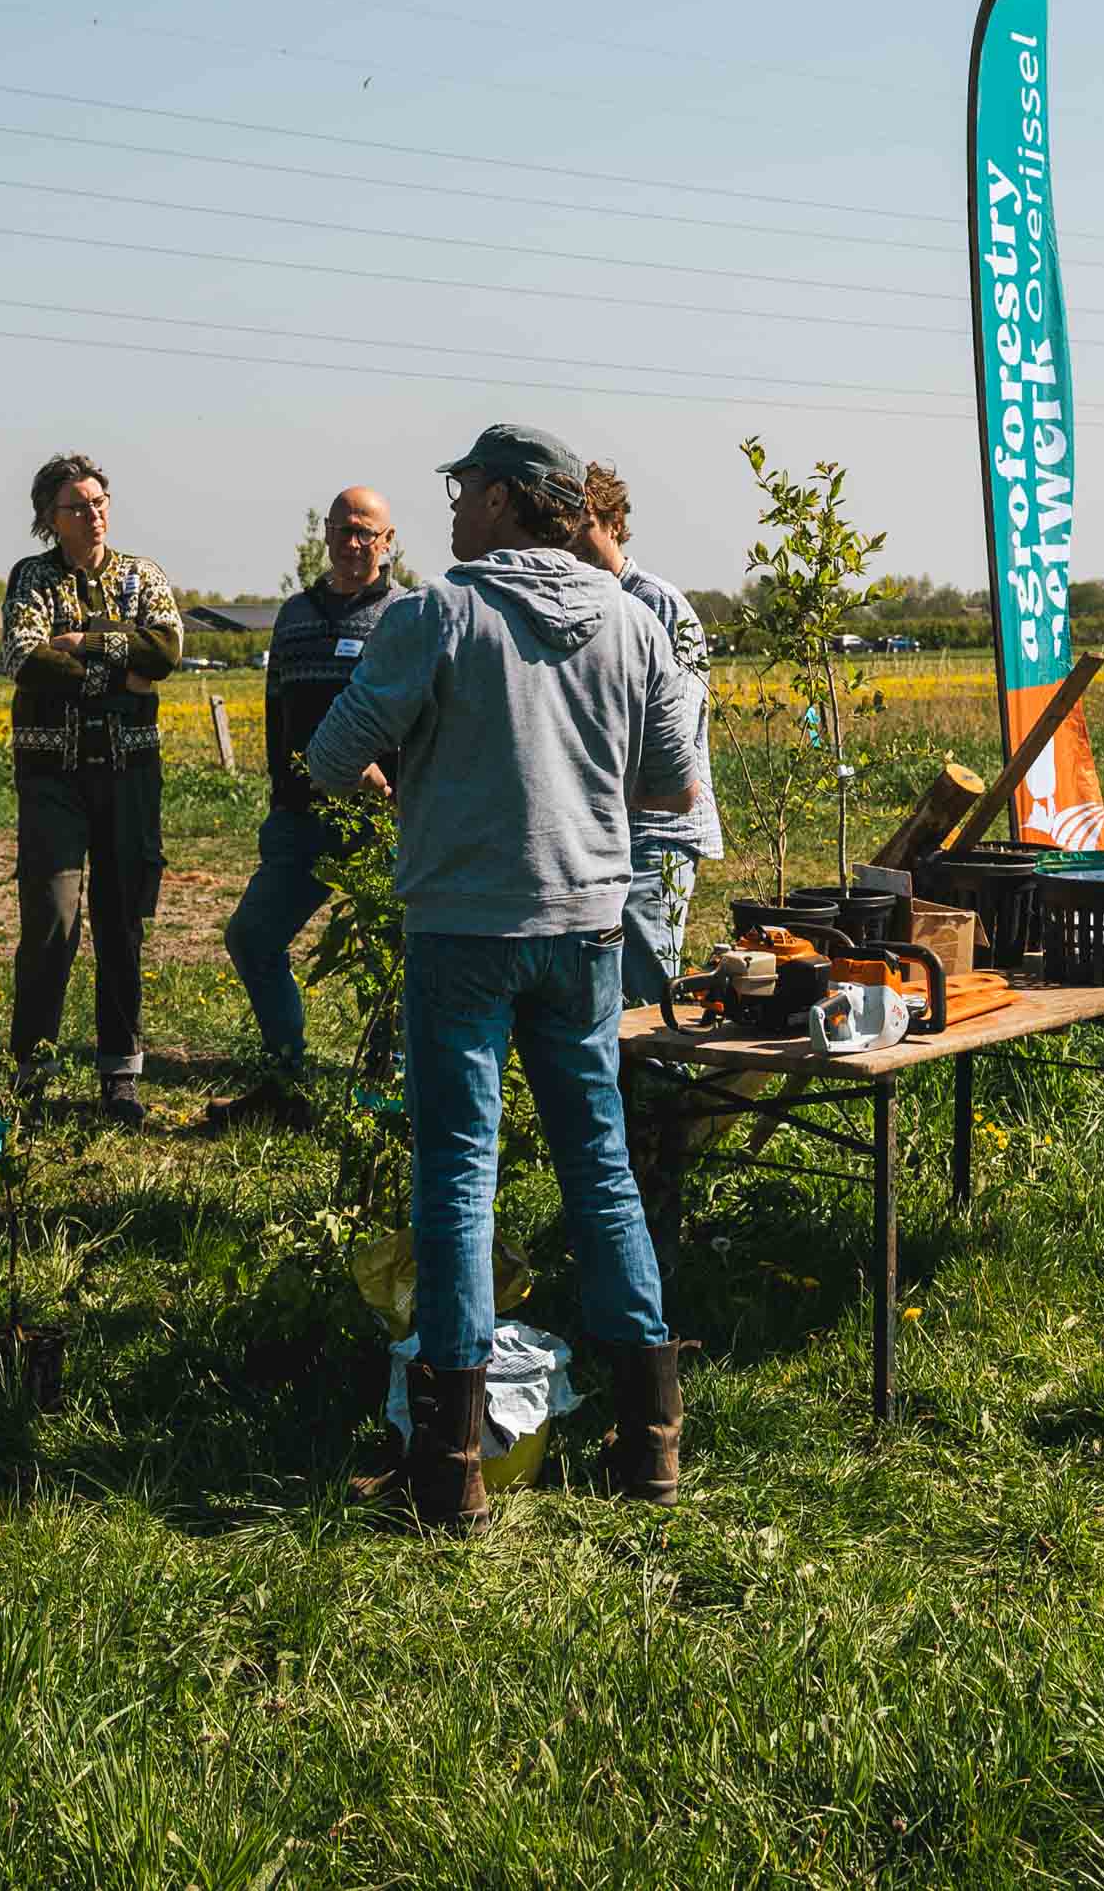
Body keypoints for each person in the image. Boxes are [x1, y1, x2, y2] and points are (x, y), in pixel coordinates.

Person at [301, 422, 700, 1535]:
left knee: (457, 1178)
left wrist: (422, 769)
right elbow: (669, 785)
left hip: (466, 928)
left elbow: (334, 755)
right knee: (601, 1167)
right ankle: (649, 1445)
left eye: (466, 485)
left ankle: (451, 1466)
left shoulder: (438, 615)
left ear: (516, 501)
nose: (453, 502)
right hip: (586, 925)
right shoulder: (630, 622)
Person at [206, 485, 401, 1132]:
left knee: (388, 958)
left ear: (387, 542)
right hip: (299, 821)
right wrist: (278, 800)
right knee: (252, 936)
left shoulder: (406, 615)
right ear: (325, 534)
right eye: (341, 528)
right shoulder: (293, 615)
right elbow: (275, 712)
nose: (351, 542)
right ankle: (287, 1079)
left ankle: (386, 1099)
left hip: (376, 823)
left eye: (365, 532)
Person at [1, 452, 182, 1123]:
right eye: (79, 505)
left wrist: (86, 640)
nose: (95, 513)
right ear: (51, 517)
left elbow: (165, 652)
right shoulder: (33, 579)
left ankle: (120, 1072)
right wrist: (120, 668)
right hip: (53, 772)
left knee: (121, 920)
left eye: (101, 500)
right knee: (52, 918)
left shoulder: (144, 573)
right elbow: (25, 658)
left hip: (131, 772)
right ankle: (30, 1069)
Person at [577, 463, 721, 1010]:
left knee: (649, 989)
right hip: (605, 828)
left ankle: (672, 1093)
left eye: (585, 523)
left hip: (656, 829)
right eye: (564, 526)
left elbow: (672, 736)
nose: (573, 540)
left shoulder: (656, 603)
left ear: (614, 523)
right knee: (606, 992)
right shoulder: (580, 606)